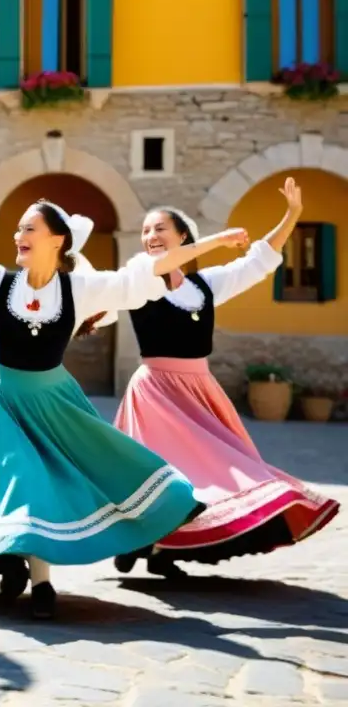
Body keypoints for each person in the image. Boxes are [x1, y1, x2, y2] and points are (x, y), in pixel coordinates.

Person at [0, 188, 252, 619]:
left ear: (57, 240)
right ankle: (20, 567)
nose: (19, 233)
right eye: (18, 227)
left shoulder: (82, 289)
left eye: (29, 227)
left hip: (54, 402)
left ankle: (42, 580)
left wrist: (214, 244)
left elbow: (145, 274)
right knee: (19, 484)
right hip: (5, 403)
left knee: (50, 485)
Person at [112, 177, 340, 578]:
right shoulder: (140, 274)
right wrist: (218, 241)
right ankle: (141, 539)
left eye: (160, 228)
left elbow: (257, 260)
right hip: (156, 392)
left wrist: (292, 216)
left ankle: (162, 549)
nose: (150, 236)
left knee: (214, 473)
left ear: (182, 236)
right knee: (166, 472)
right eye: (146, 230)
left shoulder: (204, 286)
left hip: (199, 389)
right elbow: (142, 275)